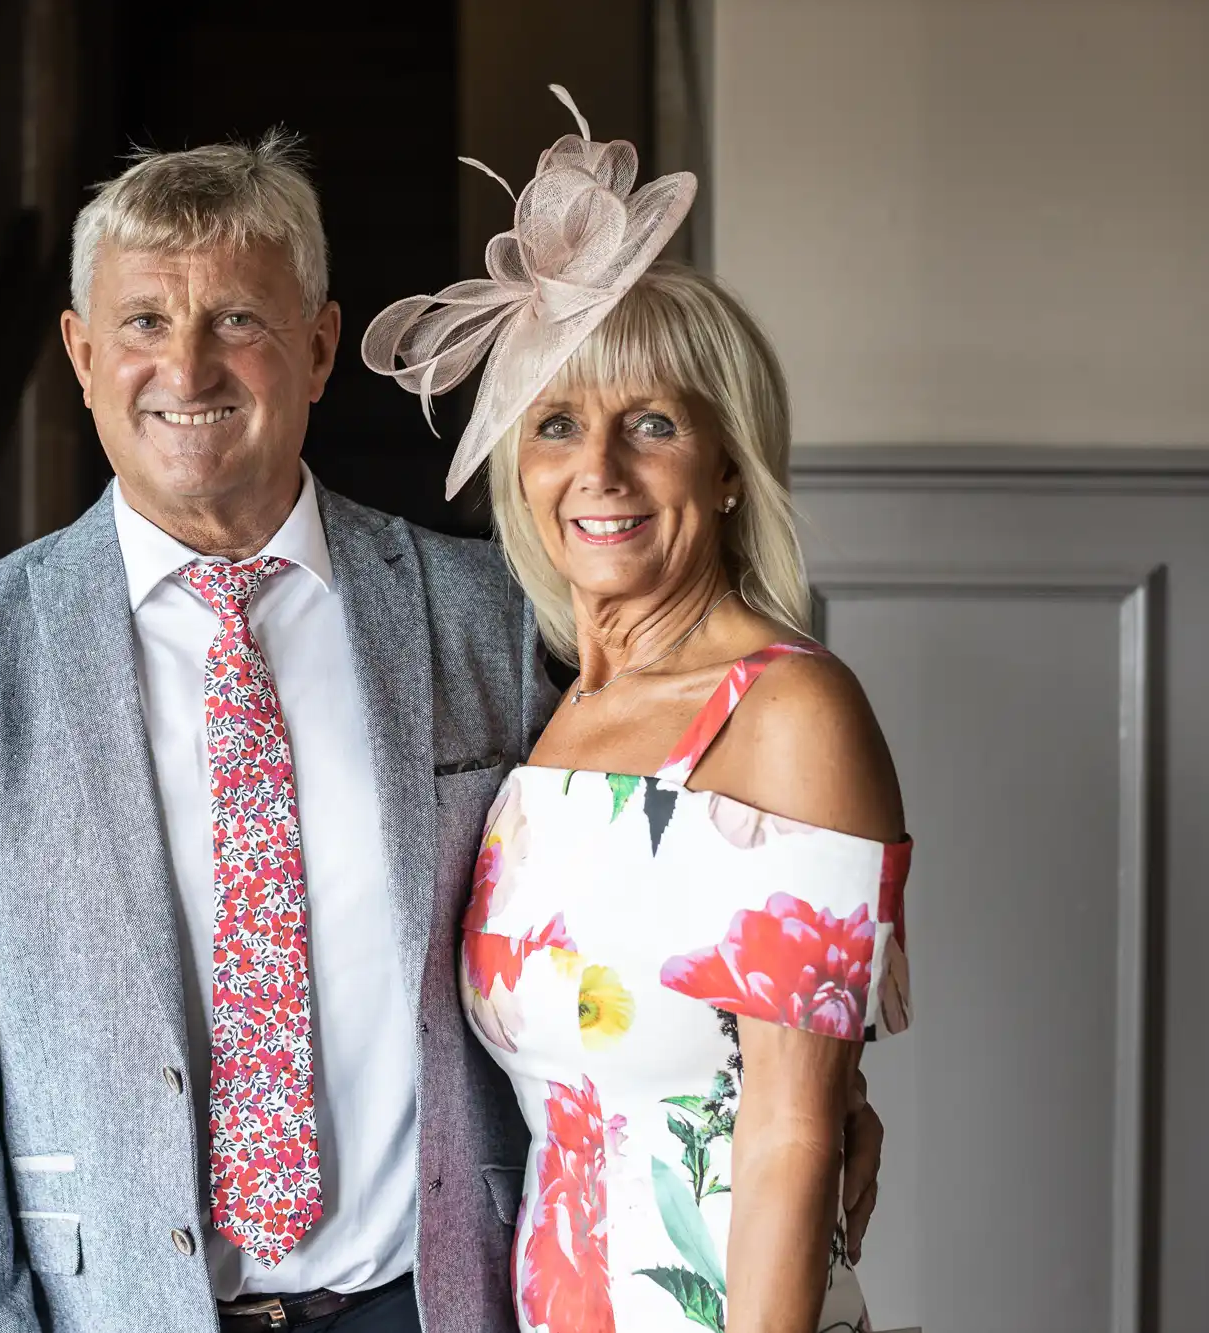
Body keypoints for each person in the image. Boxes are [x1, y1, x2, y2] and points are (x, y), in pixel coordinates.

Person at [0, 128, 885, 1333]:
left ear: (321, 346)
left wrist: (808, 1074)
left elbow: (670, 865)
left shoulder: (493, 613)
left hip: (446, 1301)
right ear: (81, 355)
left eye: (237, 317)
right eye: (140, 322)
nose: (185, 365)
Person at [363, 89, 912, 1333]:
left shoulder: (789, 712)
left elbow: (783, 1135)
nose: (596, 470)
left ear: (725, 466)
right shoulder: (554, 712)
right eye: (556, 424)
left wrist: (836, 1103)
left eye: (650, 424)